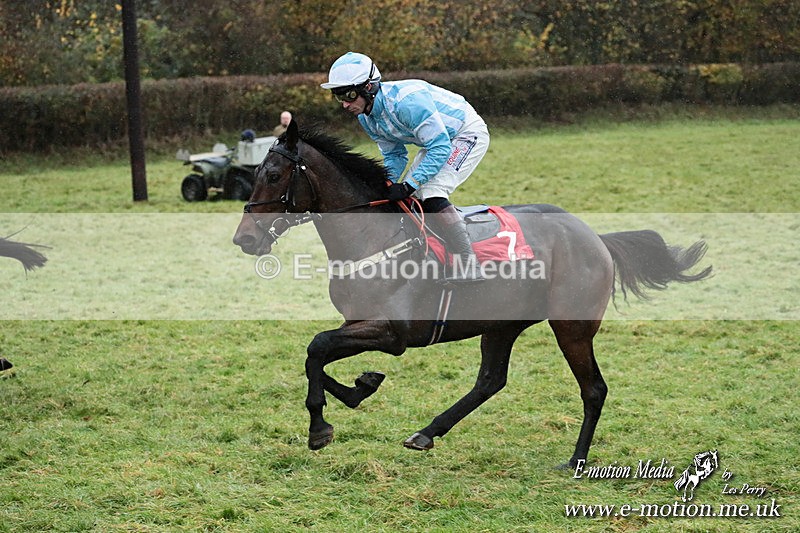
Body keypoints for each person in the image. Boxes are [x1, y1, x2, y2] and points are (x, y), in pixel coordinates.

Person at [320, 52, 489, 281]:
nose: (345, 104)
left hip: (465, 133)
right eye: (338, 96)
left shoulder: (407, 103)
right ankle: (432, 256)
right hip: (438, 141)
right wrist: (387, 183)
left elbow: (440, 148)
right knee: (412, 198)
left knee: (430, 190)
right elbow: (395, 154)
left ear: (369, 87)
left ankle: (470, 264)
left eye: (349, 95)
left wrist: (408, 184)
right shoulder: (366, 116)